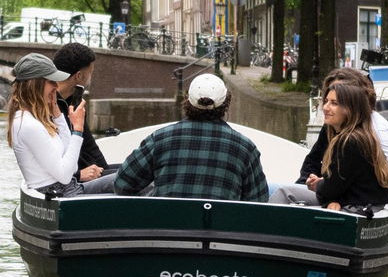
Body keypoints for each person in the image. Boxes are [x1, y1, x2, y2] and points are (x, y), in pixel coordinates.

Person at [114, 73, 269, 201]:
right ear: (226, 103)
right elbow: (259, 201)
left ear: (187, 99)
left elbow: (122, 183)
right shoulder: (245, 148)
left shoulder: (160, 139)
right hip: (220, 228)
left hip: (166, 227)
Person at [270, 82, 388, 211]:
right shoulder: (362, 136)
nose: (325, 107)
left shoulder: (349, 142)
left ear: (350, 109)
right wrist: (323, 185)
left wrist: (318, 185)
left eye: (334, 103)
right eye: (326, 101)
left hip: (359, 207)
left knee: (283, 193)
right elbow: (343, 182)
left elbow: (331, 189)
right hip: (364, 202)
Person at [7, 53, 115, 197]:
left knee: (133, 178)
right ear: (37, 84)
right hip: (62, 195)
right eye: (51, 81)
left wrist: (58, 117)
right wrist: (77, 130)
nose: (56, 86)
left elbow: (72, 167)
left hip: (68, 190)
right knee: (131, 180)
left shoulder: (33, 120)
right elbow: (65, 176)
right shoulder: (29, 125)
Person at [296, 67, 388, 196]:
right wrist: (306, 183)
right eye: (327, 98)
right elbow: (313, 161)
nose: (326, 107)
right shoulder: (332, 125)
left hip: (360, 201)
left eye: (336, 101)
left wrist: (343, 197)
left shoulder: (378, 130)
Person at [53, 43, 108, 182]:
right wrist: (78, 175)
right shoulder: (47, 106)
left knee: (130, 175)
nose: (90, 78)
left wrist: (106, 171)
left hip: (88, 172)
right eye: (91, 73)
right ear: (78, 76)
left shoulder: (75, 101)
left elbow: (89, 145)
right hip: (72, 180)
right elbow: (50, 157)